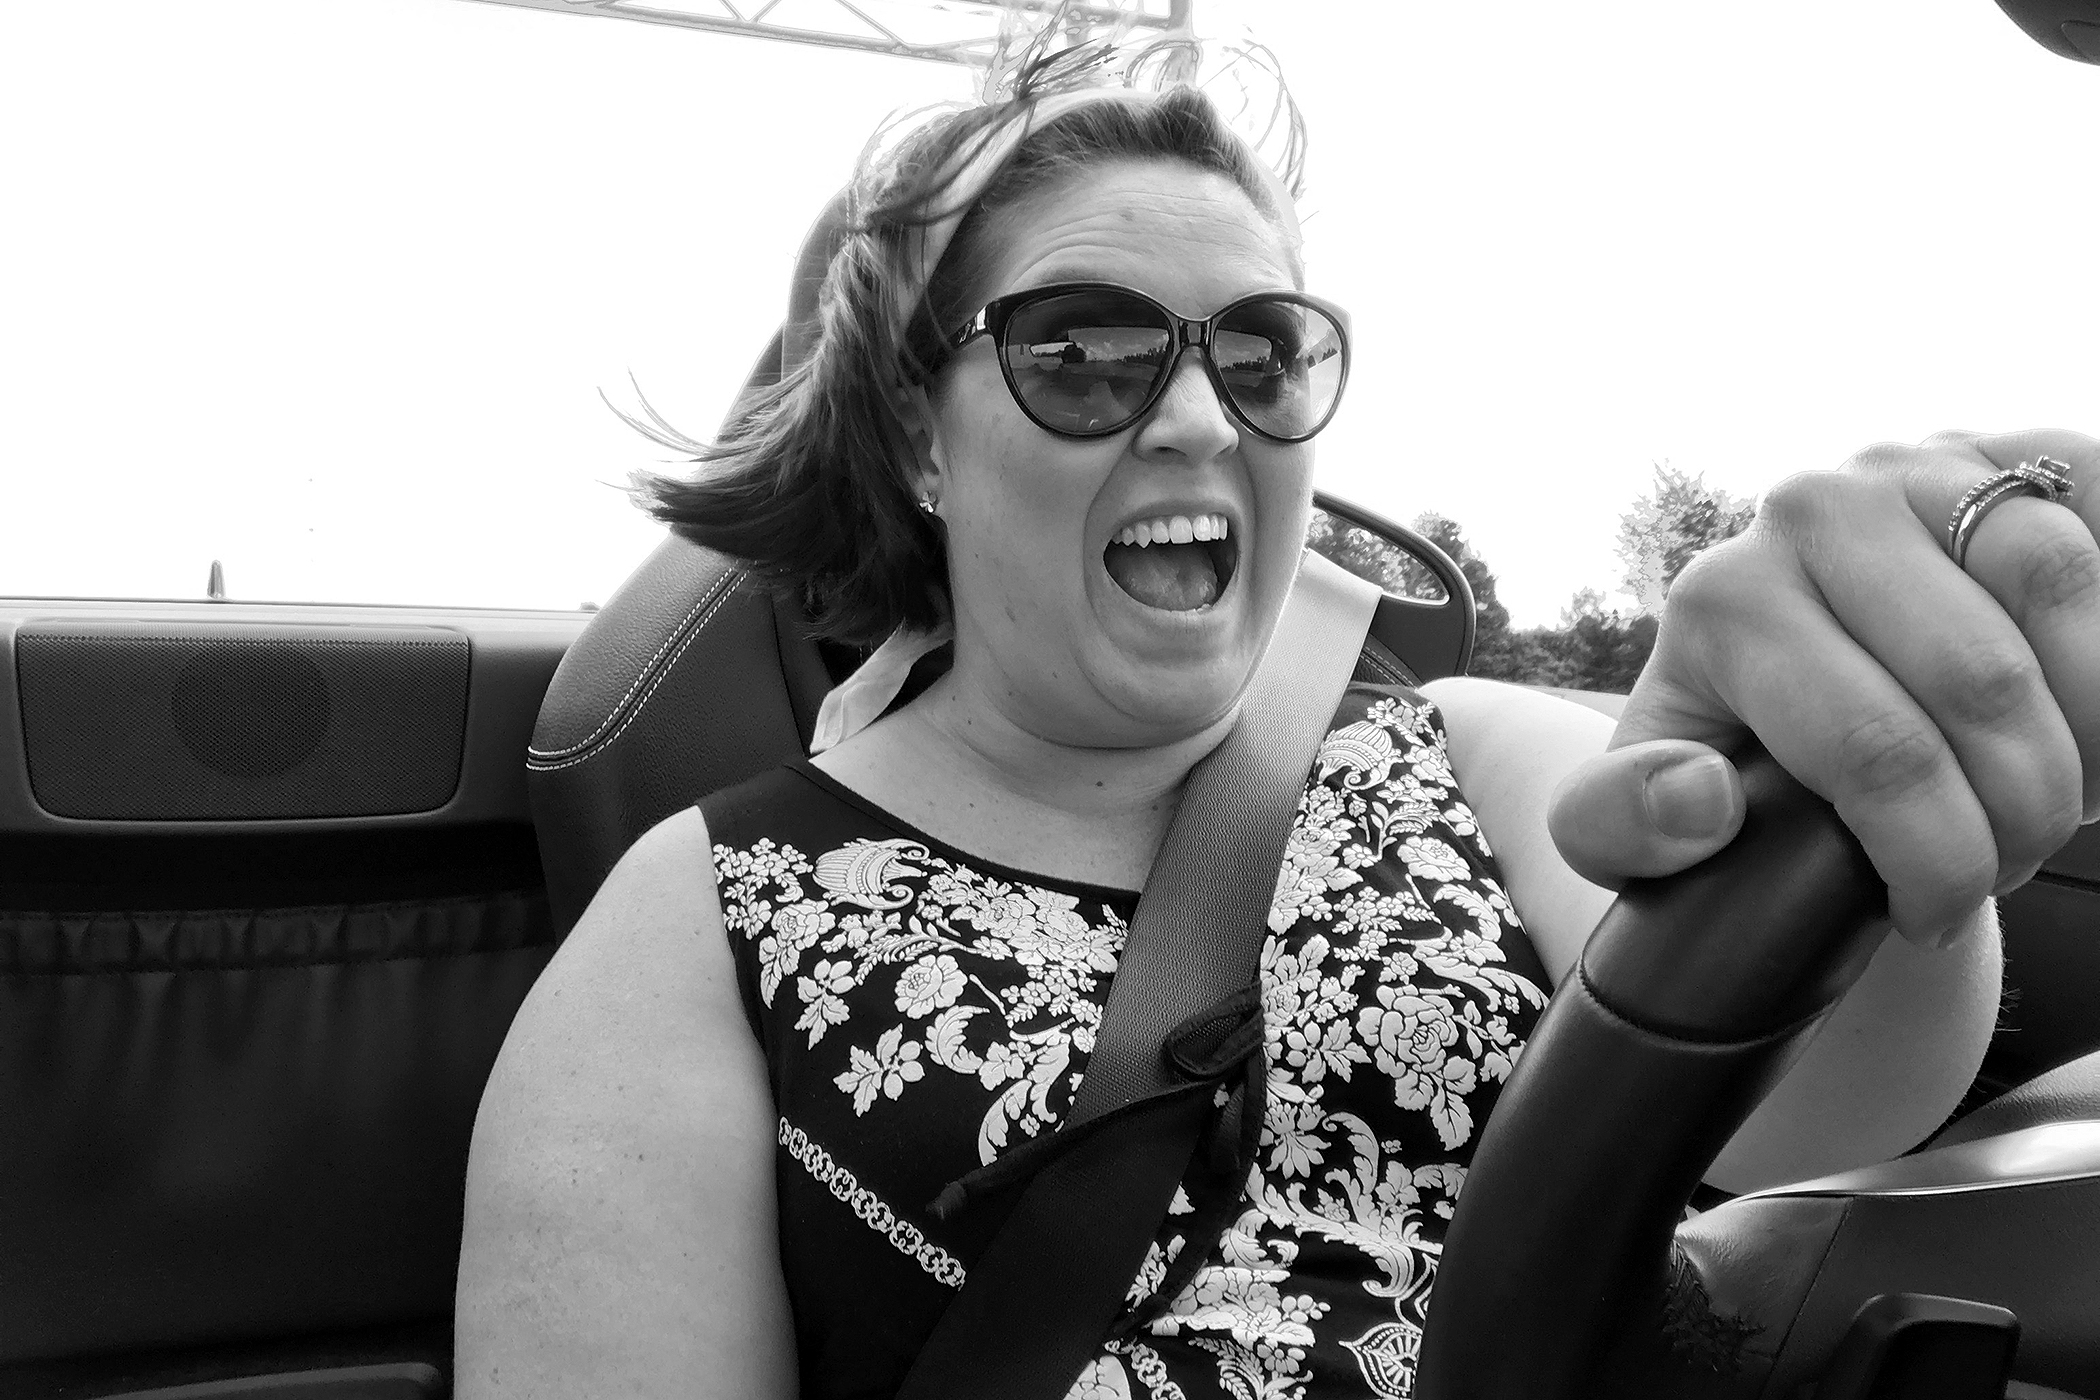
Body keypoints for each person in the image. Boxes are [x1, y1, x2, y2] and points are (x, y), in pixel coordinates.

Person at [450, 34, 2098, 1400]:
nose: (1195, 417)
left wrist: (1861, 786)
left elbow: (1839, 1099)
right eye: (1082, 352)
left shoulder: (1468, 752)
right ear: (918, 440)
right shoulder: (701, 913)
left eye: (1262, 353)